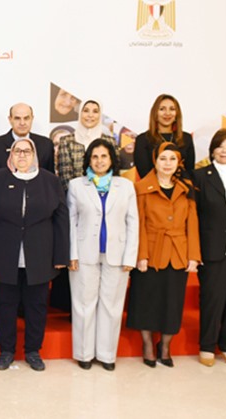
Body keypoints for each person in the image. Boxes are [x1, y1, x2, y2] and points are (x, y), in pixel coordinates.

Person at [0, 138, 69, 372]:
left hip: (40, 255)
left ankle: (33, 351)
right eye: (17, 151)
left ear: (34, 154)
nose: (22, 155)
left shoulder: (50, 180)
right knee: (5, 306)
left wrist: (61, 255)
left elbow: (61, 219)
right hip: (3, 255)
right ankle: (6, 351)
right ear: (10, 154)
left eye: (27, 151)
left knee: (36, 306)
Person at [126, 142, 200, 368]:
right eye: (162, 159)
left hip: (177, 253)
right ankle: (148, 345)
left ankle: (165, 346)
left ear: (179, 163)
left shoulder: (186, 188)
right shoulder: (141, 188)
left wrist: (193, 256)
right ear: (154, 161)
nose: (167, 164)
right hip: (150, 253)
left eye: (172, 159)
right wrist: (141, 255)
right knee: (146, 302)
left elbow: (193, 224)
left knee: (172, 303)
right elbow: (137, 223)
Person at [67, 140, 139, 371]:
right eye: (95, 156)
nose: (99, 161)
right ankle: (84, 354)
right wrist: (72, 254)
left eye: (104, 156)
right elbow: (71, 221)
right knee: (83, 305)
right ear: (88, 160)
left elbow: (133, 223)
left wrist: (130, 257)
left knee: (111, 306)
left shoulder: (125, 186)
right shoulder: (77, 185)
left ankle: (107, 355)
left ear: (112, 160)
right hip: (84, 253)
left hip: (116, 256)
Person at [194, 129, 226, 367]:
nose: (225, 151)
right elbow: (194, 216)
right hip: (213, 248)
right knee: (213, 299)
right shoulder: (201, 176)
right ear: (213, 149)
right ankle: (207, 346)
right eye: (221, 146)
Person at [0, 103, 55, 187]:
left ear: (32, 119)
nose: (22, 123)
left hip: (38, 197)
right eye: (17, 118)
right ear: (10, 119)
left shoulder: (46, 145)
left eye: (26, 118)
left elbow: (51, 183)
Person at [56, 100, 119, 191]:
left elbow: (115, 173)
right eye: (86, 111)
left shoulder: (110, 141)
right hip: (76, 198)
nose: (90, 115)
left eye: (95, 111)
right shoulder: (66, 141)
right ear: (80, 113)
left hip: (105, 196)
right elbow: (65, 178)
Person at [134, 94, 196, 179]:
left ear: (177, 114)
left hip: (181, 189)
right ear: (155, 113)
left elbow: (189, 172)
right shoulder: (143, 139)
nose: (167, 113)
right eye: (162, 109)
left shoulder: (186, 138)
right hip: (152, 189)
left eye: (172, 109)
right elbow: (144, 174)